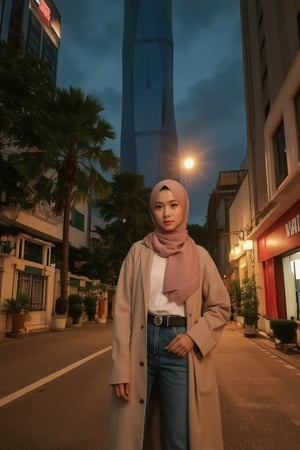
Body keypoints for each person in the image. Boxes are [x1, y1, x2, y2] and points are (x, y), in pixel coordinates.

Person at [107, 179, 230, 450]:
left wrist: (193, 337)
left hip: (180, 346)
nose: (167, 213)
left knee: (179, 434)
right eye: (159, 206)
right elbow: (123, 311)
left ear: (184, 207)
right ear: (152, 211)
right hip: (142, 343)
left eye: (173, 205)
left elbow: (220, 307)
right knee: (132, 432)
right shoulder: (138, 252)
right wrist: (120, 368)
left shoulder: (200, 256)